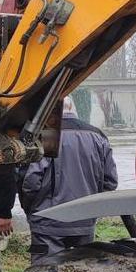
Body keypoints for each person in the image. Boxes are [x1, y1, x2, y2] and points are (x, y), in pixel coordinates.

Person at [19, 96, 118, 262]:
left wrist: (32, 210)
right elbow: (110, 181)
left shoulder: (45, 135)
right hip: (84, 222)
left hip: (47, 223)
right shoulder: (97, 136)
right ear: (74, 109)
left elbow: (30, 182)